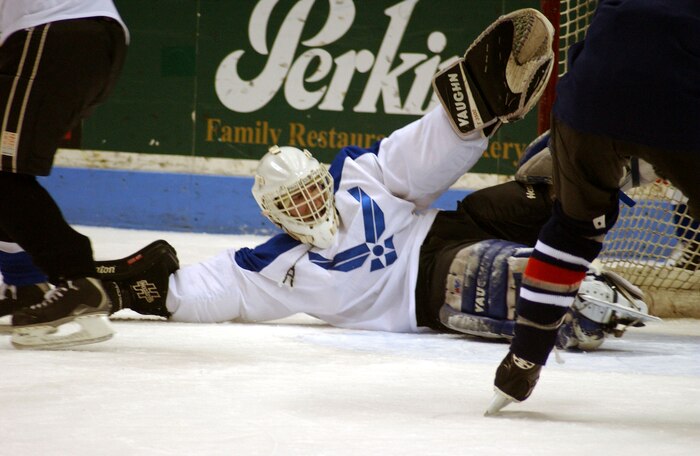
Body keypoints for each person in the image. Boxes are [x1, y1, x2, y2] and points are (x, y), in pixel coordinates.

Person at [87, 9, 653, 353]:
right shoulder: (274, 268)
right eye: (294, 201)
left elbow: (412, 160)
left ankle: (642, 150)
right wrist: (136, 291)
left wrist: (467, 119)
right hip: (423, 289)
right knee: (485, 279)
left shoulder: (356, 177)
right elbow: (211, 289)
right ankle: (568, 296)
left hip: (451, 224)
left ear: (319, 177)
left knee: (550, 180)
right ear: (274, 215)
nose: (311, 202)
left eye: (311, 187)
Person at [487, 0, 700, 414]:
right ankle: (639, 158)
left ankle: (521, 362)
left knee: (572, 231)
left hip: (589, 97)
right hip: (678, 106)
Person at [0, 0, 129, 348]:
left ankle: (78, 282)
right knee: (5, 170)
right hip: (79, 33)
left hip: (55, 30)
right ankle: (26, 285)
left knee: (1, 172)